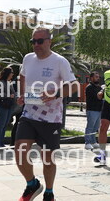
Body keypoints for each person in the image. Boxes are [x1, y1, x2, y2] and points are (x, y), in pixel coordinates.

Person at [15, 28, 78, 201]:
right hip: (29, 114)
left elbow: (73, 85)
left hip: (51, 118)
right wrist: (22, 94)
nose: (36, 45)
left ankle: (49, 192)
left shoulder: (59, 61)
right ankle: (32, 184)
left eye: (40, 41)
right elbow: (22, 75)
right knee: (19, 150)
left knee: (47, 159)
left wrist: (55, 94)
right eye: (33, 41)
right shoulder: (28, 58)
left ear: (49, 41)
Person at [0, 66, 16, 149]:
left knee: (5, 125)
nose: (12, 75)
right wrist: (9, 95)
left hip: (9, 106)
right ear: (8, 74)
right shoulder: (0, 83)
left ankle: (1, 143)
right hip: (2, 105)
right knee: (1, 125)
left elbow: (13, 94)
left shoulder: (9, 83)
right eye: (11, 73)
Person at [84, 71, 102, 150]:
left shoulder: (99, 88)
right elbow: (98, 97)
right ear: (91, 78)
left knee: (96, 127)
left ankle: (93, 141)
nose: (98, 78)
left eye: (98, 77)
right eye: (96, 77)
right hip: (92, 110)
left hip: (99, 110)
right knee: (90, 127)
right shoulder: (89, 87)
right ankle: (87, 142)